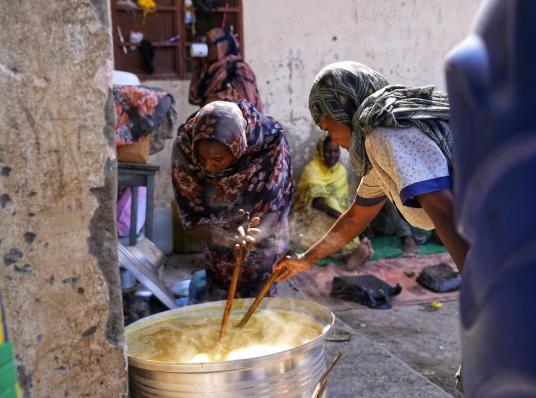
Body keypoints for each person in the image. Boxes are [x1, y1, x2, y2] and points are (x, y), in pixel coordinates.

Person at [274, 61, 469, 282]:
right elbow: (356, 217)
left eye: (328, 128)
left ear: (342, 111)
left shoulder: (383, 134)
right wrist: (306, 259)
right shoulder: (379, 145)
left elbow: (445, 213)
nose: (334, 140)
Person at [171, 100, 292, 300]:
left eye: (217, 159)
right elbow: (191, 215)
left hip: (262, 236)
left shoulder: (270, 143)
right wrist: (225, 240)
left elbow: (274, 208)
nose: (208, 167)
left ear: (238, 147)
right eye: (202, 159)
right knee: (220, 300)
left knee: (259, 305)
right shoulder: (186, 145)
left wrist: (249, 240)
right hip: (215, 237)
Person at [291, 133, 372, 265]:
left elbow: (344, 202)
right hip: (311, 216)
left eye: (336, 151)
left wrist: (352, 218)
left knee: (343, 229)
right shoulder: (311, 169)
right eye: (328, 151)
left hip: (336, 213)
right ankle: (350, 253)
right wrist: (344, 219)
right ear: (321, 151)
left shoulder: (341, 171)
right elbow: (318, 203)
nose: (332, 156)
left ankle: (353, 252)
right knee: (333, 230)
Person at [188, 27, 263, 111]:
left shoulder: (239, 69)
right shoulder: (212, 71)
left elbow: (249, 104)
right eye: (206, 45)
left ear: (221, 47)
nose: (207, 49)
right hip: (213, 118)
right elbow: (194, 98)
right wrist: (197, 66)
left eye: (209, 45)